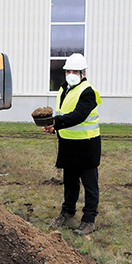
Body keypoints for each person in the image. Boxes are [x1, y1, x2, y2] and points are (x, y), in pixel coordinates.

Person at [44, 53, 102, 236]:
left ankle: (88, 220)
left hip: (87, 145)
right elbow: (63, 112)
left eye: (74, 71)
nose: (70, 74)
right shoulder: (64, 89)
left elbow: (79, 115)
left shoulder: (88, 92)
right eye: (68, 71)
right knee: (70, 182)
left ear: (83, 73)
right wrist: (55, 128)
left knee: (90, 185)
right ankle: (68, 212)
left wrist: (56, 123)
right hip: (68, 144)